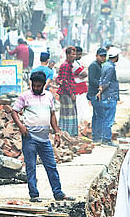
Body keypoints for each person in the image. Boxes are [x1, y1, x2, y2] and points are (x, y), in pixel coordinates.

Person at [10, 71, 73, 203]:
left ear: (44, 85)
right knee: (31, 166)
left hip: (44, 138)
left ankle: (58, 192)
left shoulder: (49, 96)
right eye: (34, 85)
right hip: (30, 137)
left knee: (51, 166)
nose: (36, 88)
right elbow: (14, 111)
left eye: (39, 86)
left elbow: (52, 115)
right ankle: (34, 194)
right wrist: (21, 126)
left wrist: (57, 132)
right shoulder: (25, 96)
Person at [98, 47, 121, 146]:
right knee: (109, 119)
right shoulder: (111, 67)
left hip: (105, 96)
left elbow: (102, 80)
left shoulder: (105, 65)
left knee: (105, 118)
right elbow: (106, 82)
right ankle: (106, 139)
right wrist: (102, 89)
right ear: (115, 57)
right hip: (110, 96)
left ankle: (103, 137)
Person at [55, 46, 78, 137]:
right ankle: (68, 134)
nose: (74, 56)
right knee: (69, 113)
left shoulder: (67, 65)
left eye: (74, 54)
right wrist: (71, 93)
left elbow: (59, 79)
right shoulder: (65, 66)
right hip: (66, 93)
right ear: (68, 55)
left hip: (66, 92)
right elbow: (64, 81)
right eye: (72, 54)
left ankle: (67, 133)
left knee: (67, 113)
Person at [88, 48, 107, 143]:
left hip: (96, 93)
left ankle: (95, 135)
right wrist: (100, 85)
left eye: (104, 56)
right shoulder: (93, 66)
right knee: (100, 115)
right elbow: (91, 80)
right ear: (96, 56)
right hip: (94, 93)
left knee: (96, 115)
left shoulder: (100, 66)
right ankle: (97, 136)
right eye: (101, 56)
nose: (103, 58)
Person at [73, 46, 89, 129]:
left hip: (81, 88)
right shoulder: (74, 64)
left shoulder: (77, 63)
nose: (80, 56)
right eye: (78, 54)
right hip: (78, 88)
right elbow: (85, 74)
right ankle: (79, 124)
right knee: (79, 107)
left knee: (82, 107)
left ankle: (82, 123)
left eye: (81, 54)